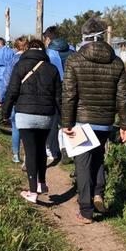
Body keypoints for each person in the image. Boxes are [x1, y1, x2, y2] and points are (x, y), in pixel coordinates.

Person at [62, 17, 126, 224]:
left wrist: (66, 122)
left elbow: (68, 95)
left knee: (83, 164)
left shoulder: (74, 61)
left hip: (81, 121)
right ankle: (98, 193)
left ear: (83, 37)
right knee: (99, 157)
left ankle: (85, 210)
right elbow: (123, 97)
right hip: (105, 121)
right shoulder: (116, 62)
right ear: (104, 36)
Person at [3, 39, 62, 204]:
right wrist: (65, 120)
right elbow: (59, 97)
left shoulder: (19, 66)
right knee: (41, 149)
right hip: (46, 115)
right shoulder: (52, 69)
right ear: (43, 50)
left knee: (30, 152)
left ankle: (32, 191)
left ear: (27, 50)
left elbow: (12, 91)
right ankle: (42, 182)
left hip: (25, 114)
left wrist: (5, 112)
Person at [43, 26, 74, 162]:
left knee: (53, 120)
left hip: (56, 90)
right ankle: (70, 148)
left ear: (48, 38)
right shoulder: (72, 49)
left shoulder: (49, 52)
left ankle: (54, 151)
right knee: (69, 120)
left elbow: (50, 74)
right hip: (72, 89)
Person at [0, 36, 29, 163]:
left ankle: (16, 155)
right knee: (28, 130)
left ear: (16, 47)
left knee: (16, 127)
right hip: (30, 98)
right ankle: (29, 156)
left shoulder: (13, 60)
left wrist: (1, 98)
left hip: (16, 98)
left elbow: (5, 82)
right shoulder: (33, 60)